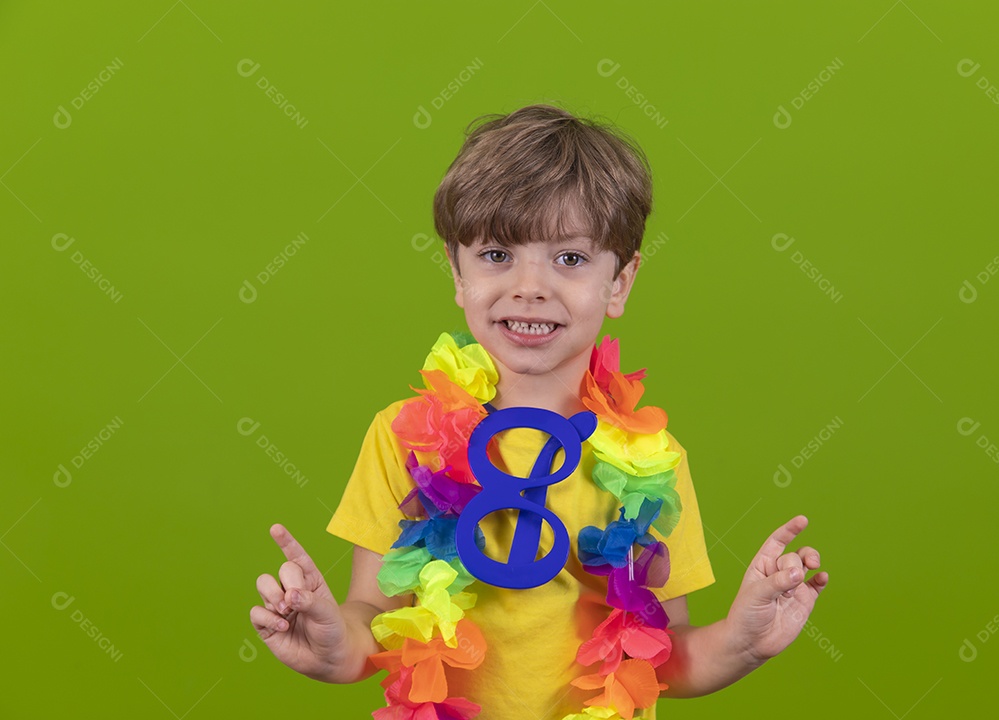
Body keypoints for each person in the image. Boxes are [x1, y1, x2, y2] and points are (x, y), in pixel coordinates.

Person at [250, 104, 828, 719]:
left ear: (621, 282)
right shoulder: (404, 438)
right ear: (456, 272)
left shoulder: (651, 464)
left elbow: (663, 660)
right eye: (498, 254)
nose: (530, 286)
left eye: (570, 259)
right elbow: (374, 619)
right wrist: (332, 647)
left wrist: (743, 643)